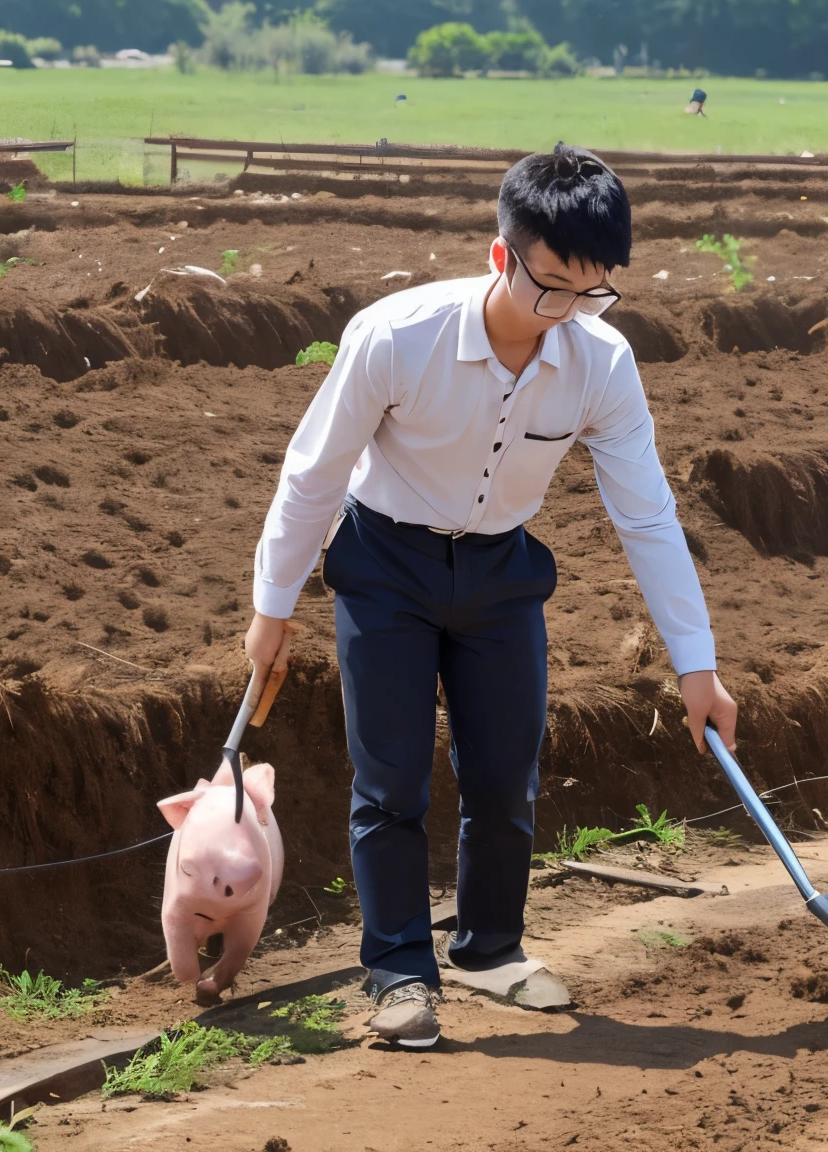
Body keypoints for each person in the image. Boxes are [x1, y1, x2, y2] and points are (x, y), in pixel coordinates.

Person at [243, 144, 738, 1047]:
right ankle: (397, 972)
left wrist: (697, 665)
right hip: (384, 563)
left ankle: (491, 950)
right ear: (501, 255)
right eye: (550, 287)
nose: (566, 314)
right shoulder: (397, 337)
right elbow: (313, 474)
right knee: (390, 778)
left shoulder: (602, 362)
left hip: (503, 571)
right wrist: (272, 608)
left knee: (505, 773)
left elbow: (648, 518)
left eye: (592, 293)